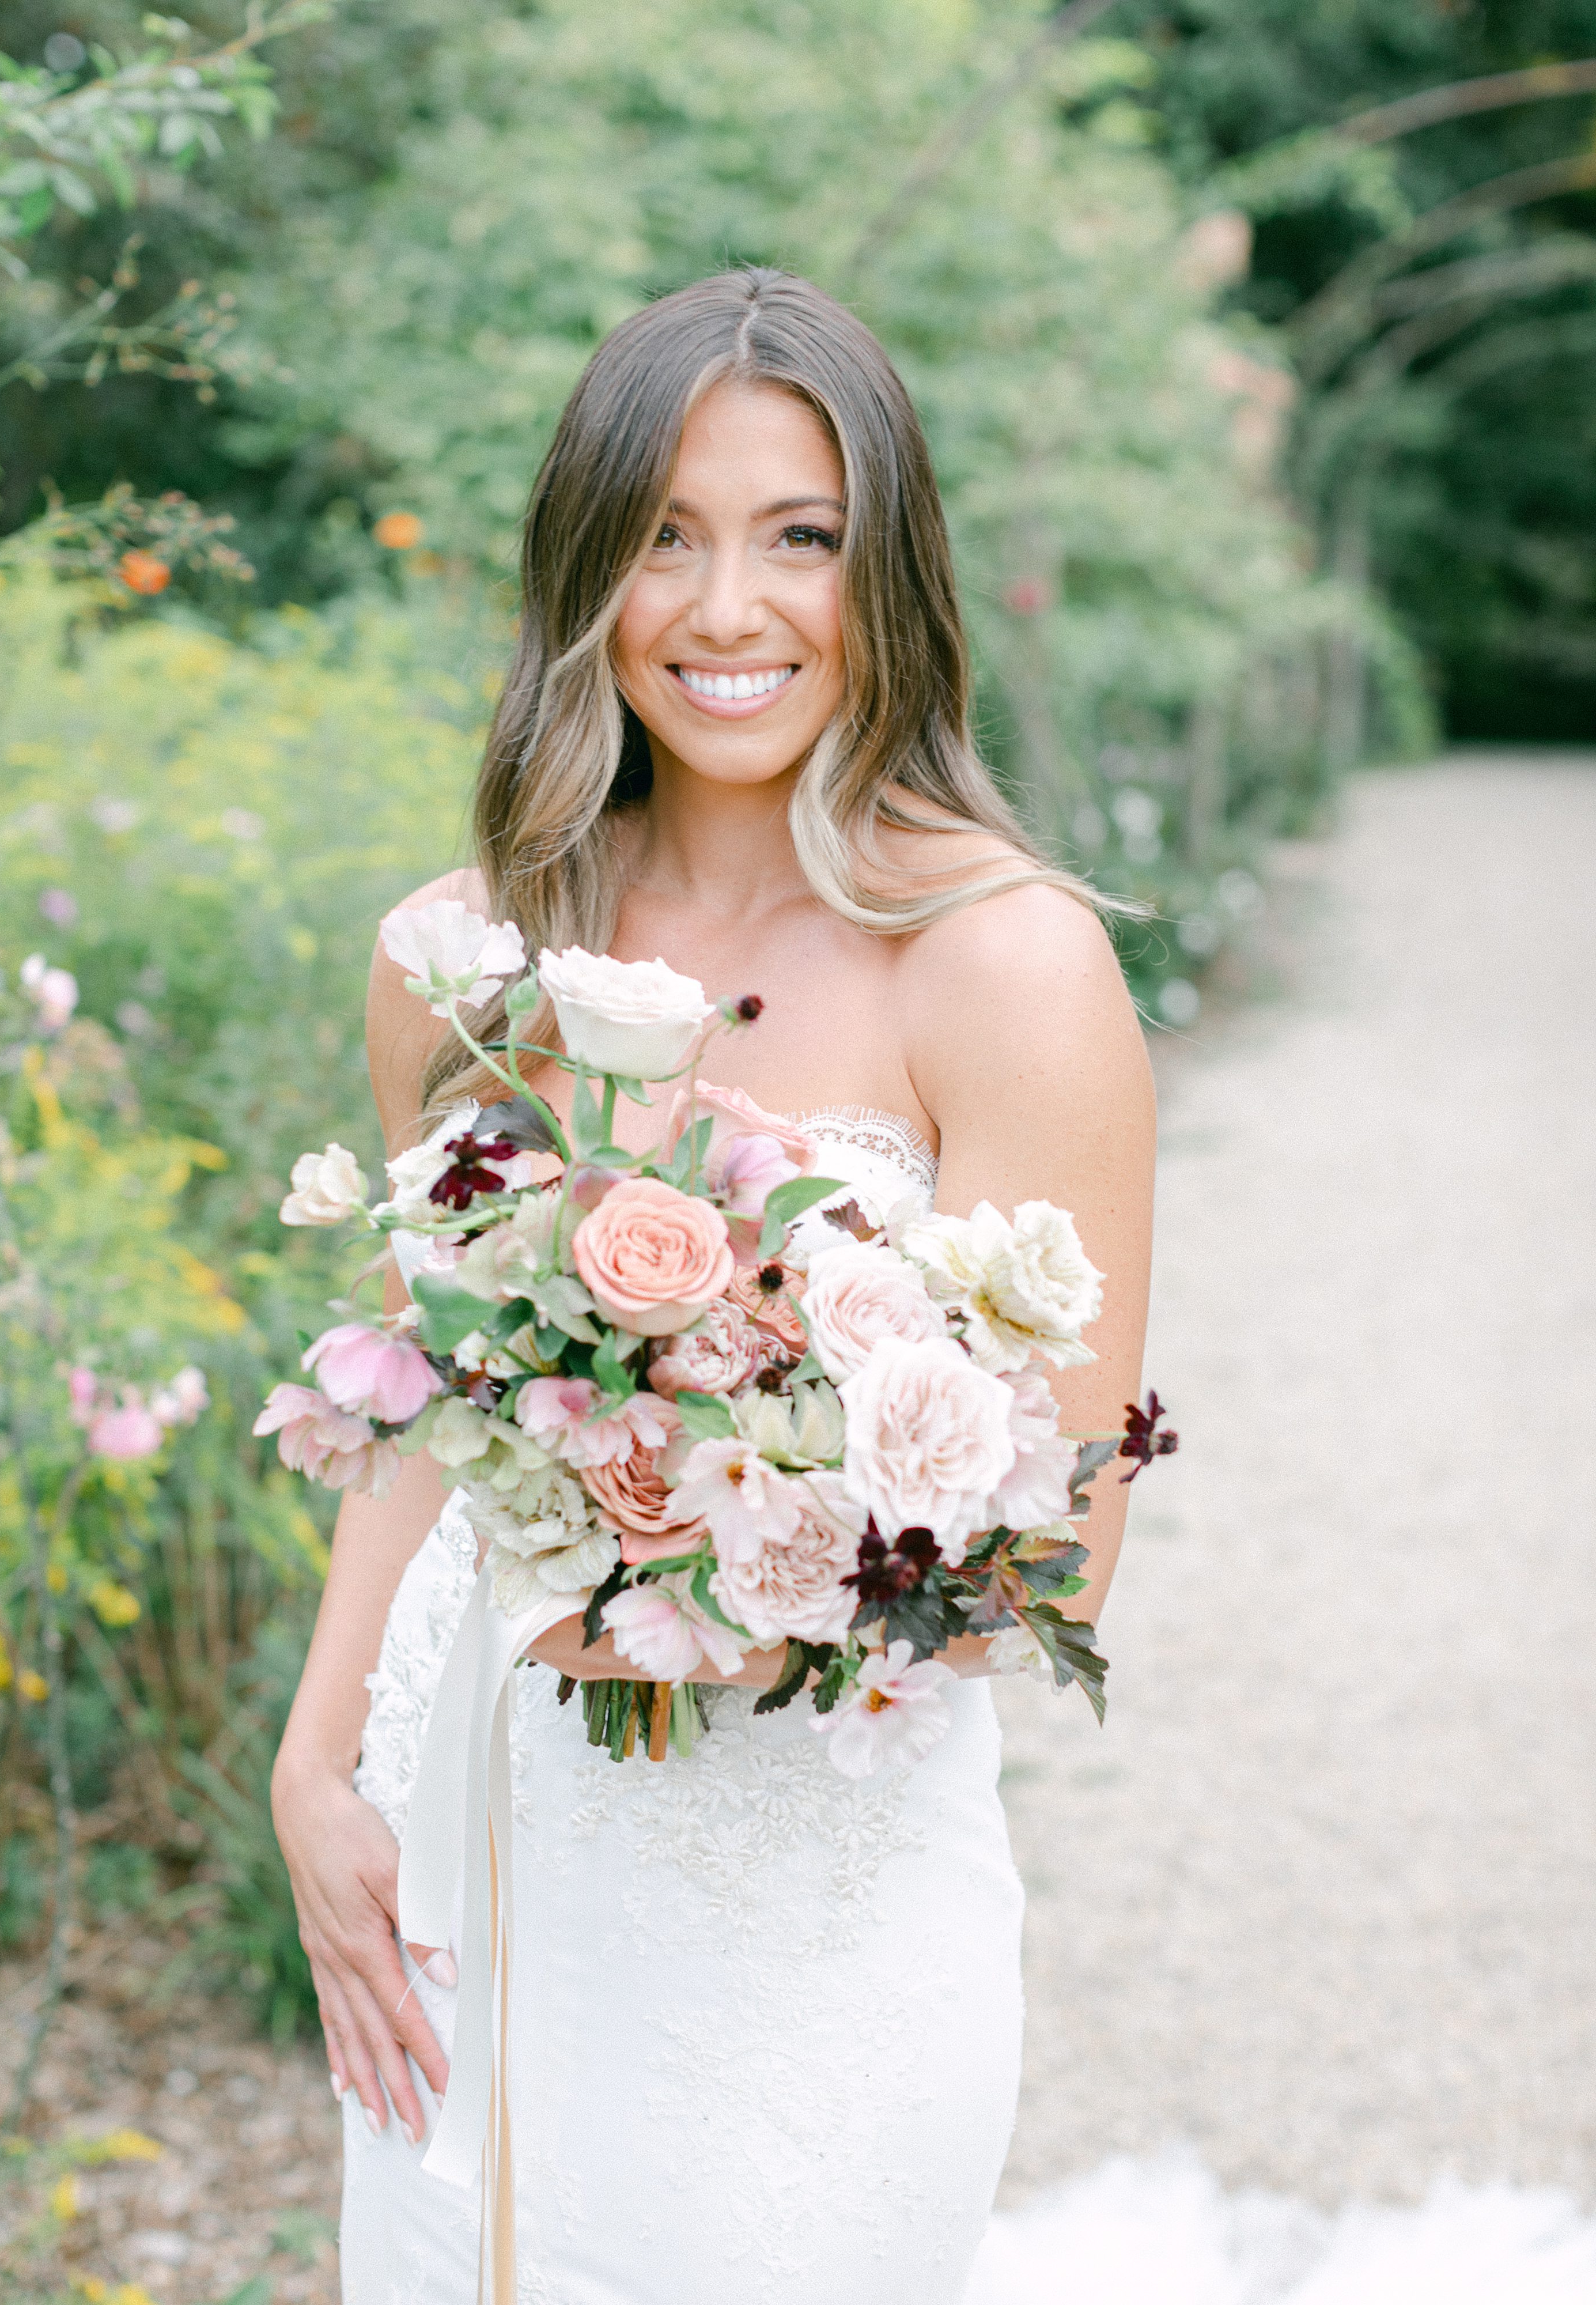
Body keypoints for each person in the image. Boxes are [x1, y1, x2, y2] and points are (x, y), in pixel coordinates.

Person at [272, 266, 1155, 2303]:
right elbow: (426, 1424)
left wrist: (694, 1615)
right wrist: (318, 1765)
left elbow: (1060, 1551)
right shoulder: (464, 960)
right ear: (585, 563)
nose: (726, 608)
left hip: (812, 1924)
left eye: (798, 537)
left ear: (892, 572)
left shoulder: (1009, 968)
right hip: (464, 1858)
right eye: (664, 534)